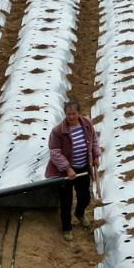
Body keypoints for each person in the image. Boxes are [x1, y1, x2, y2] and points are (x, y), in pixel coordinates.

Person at [45, 101, 101, 241]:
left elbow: (93, 140)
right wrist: (68, 168)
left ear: (79, 113)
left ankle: (79, 213)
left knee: (85, 197)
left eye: (74, 114)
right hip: (64, 172)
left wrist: (95, 156)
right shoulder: (58, 131)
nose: (71, 117)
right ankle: (67, 228)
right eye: (68, 114)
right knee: (66, 201)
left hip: (83, 168)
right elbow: (55, 152)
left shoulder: (87, 124)